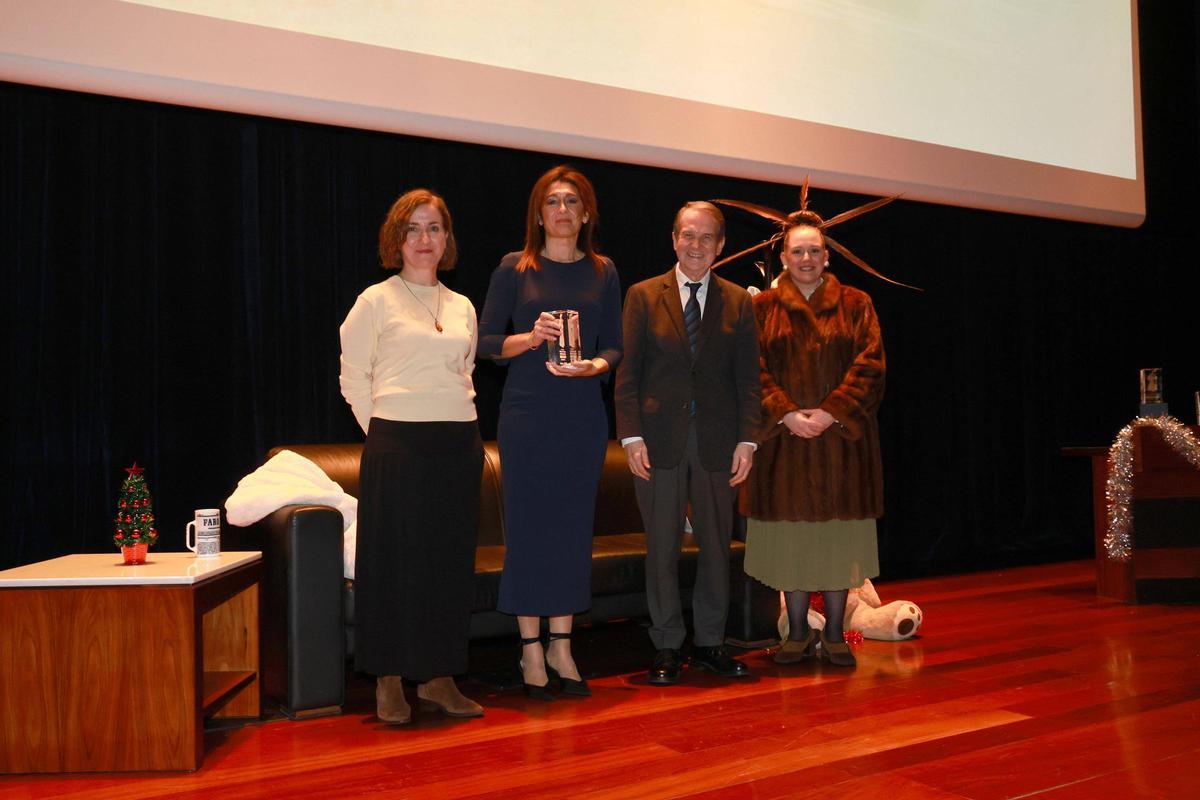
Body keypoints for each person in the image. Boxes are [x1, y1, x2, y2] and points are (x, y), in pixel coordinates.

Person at [477, 166, 623, 699]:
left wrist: (595, 368)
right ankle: (530, 650)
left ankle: (562, 643)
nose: (562, 210)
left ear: (585, 214)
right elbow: (486, 343)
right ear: (539, 214)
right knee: (530, 531)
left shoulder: (604, 271)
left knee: (570, 530)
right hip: (527, 415)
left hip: (582, 415)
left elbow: (615, 346)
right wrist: (528, 337)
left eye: (572, 202)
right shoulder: (514, 269)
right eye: (552, 202)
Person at [339, 189, 484, 723]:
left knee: (447, 564)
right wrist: (384, 432)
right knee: (394, 565)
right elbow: (353, 378)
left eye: (435, 228)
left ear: (447, 239)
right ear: (397, 239)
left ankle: (441, 678)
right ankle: (390, 679)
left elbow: (464, 372)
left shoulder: (462, 305)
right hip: (397, 445)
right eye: (414, 229)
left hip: (458, 443)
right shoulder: (375, 300)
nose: (425, 239)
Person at [614, 201, 761, 686]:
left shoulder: (739, 301)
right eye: (687, 236)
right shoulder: (641, 295)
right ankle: (666, 645)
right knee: (662, 548)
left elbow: (748, 380)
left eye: (706, 238)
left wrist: (748, 440)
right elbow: (628, 374)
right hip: (657, 443)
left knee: (718, 546)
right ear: (674, 240)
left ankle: (711, 643)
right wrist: (631, 435)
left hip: (719, 444)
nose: (696, 246)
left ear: (721, 246)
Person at [740, 219, 885, 668]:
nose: (806, 259)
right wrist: (784, 412)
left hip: (841, 446)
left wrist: (829, 413)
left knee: (838, 540)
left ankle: (838, 633)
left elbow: (871, 366)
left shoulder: (857, 304)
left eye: (814, 252)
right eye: (797, 252)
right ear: (783, 258)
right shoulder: (761, 309)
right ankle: (798, 633)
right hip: (782, 446)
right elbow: (749, 369)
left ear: (827, 256)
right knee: (792, 543)